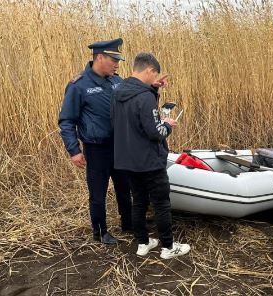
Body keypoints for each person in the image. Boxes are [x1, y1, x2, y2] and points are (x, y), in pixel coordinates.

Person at [111, 52, 190, 258]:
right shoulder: (144, 97)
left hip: (127, 160)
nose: (155, 78)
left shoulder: (118, 91)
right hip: (149, 160)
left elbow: (127, 121)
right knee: (161, 203)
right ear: (149, 70)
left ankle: (143, 243)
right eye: (154, 75)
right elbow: (155, 132)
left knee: (138, 201)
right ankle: (168, 247)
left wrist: (153, 90)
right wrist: (167, 125)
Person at [58, 38, 132, 244]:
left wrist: (152, 88)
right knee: (98, 193)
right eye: (113, 60)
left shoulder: (117, 81)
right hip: (97, 149)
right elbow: (66, 121)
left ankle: (128, 223)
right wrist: (74, 150)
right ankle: (100, 232)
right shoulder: (78, 85)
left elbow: (134, 103)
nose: (117, 64)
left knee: (125, 188)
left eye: (118, 60)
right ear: (99, 57)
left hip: (120, 147)